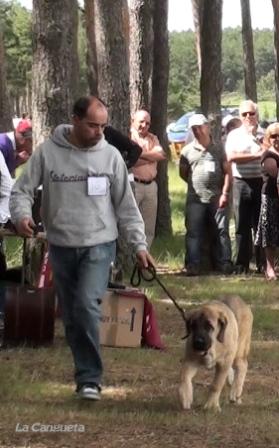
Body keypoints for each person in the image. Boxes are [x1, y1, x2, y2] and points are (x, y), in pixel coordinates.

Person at [10, 95, 154, 401]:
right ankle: (83, 373)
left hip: (100, 244)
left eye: (103, 126)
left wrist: (139, 245)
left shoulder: (111, 156)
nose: (99, 132)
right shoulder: (48, 152)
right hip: (61, 245)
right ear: (75, 120)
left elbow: (127, 207)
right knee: (73, 315)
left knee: (88, 304)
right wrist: (22, 215)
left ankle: (90, 379)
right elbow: (21, 190)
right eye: (92, 125)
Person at [179, 113, 232, 276]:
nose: (197, 131)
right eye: (193, 129)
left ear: (207, 127)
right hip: (195, 199)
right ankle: (193, 265)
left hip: (217, 197)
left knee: (221, 232)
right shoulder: (186, 151)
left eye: (199, 128)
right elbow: (183, 173)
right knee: (193, 233)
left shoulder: (219, 148)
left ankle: (224, 263)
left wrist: (225, 193)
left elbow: (228, 172)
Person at [225, 100, 265, 274]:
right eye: (244, 114)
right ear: (240, 117)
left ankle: (263, 263)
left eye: (251, 113)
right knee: (241, 225)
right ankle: (242, 264)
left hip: (261, 183)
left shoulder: (265, 133)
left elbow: (270, 152)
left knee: (261, 225)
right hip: (241, 182)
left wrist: (258, 150)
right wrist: (256, 155)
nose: (248, 117)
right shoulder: (234, 135)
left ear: (257, 114)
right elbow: (232, 157)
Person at [130, 109, 166, 248]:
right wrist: (151, 157)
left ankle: (144, 261)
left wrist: (140, 155)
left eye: (147, 123)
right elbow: (131, 161)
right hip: (134, 185)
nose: (144, 125)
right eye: (141, 122)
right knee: (132, 223)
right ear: (133, 121)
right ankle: (130, 259)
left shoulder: (153, 138)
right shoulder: (129, 137)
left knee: (148, 226)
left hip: (151, 186)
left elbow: (161, 155)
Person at [255, 123, 279, 280]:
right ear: (268, 138)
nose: (277, 139)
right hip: (271, 198)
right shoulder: (268, 155)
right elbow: (275, 172)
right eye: (273, 136)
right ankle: (269, 268)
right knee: (269, 235)